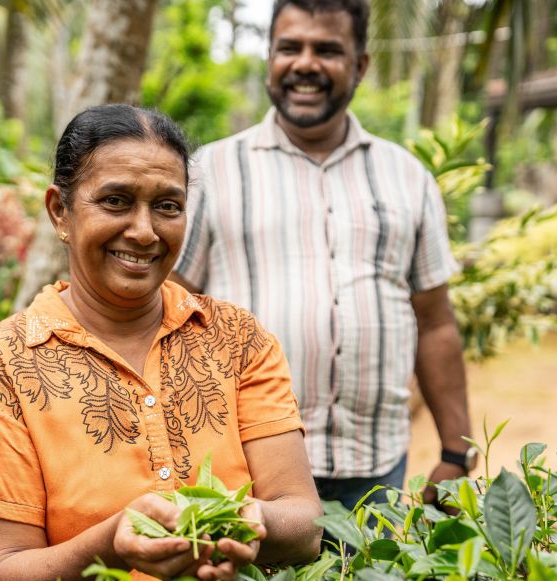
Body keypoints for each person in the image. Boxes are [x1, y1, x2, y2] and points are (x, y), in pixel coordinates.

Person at [0, 104, 323, 581]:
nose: (144, 231)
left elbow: (304, 527)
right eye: (116, 201)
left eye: (168, 206)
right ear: (60, 210)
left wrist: (242, 522)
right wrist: (111, 546)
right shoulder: (1, 366)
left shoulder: (237, 340)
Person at [171, 0, 475, 513]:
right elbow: (168, 309)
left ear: (360, 66)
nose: (305, 63)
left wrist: (456, 450)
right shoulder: (211, 172)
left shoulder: (407, 177)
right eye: (290, 47)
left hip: (376, 470)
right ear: (269, 57)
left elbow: (435, 322)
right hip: (243, 467)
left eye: (327, 50)